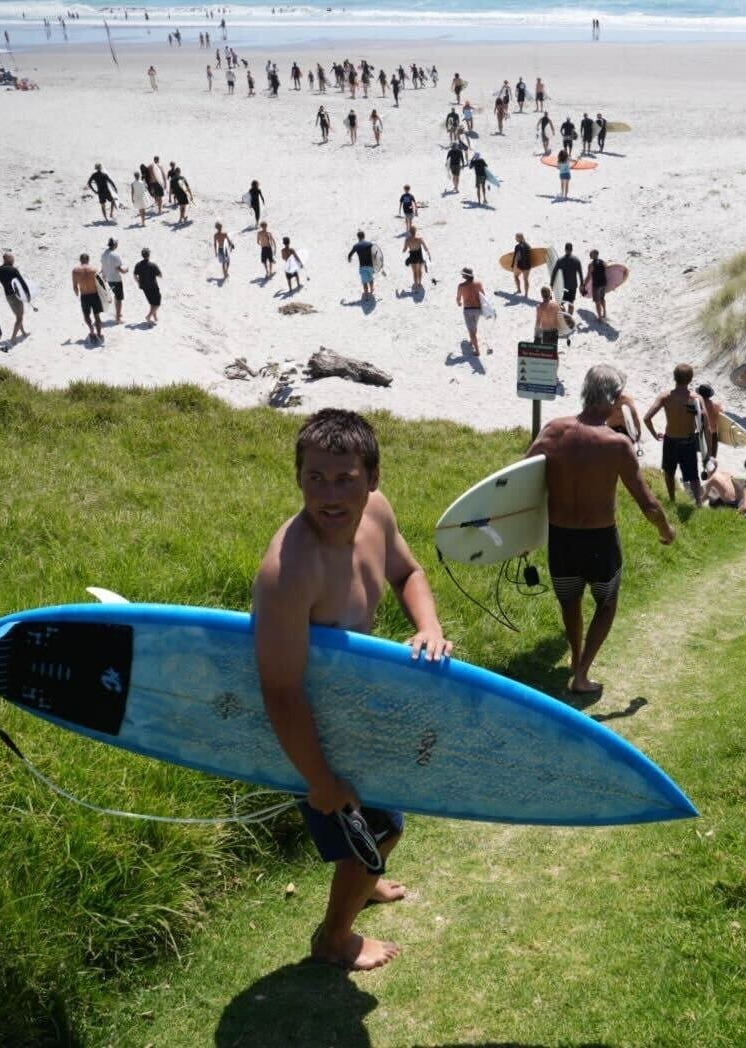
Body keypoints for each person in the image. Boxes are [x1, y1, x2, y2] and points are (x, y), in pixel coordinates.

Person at [253, 408, 451, 971]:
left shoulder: (377, 517)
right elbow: (281, 689)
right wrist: (320, 779)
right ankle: (335, 936)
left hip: (359, 711)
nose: (329, 495)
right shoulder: (290, 571)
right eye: (315, 478)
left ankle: (363, 884)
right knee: (379, 827)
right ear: (298, 479)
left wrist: (428, 626)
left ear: (374, 478)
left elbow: (408, 573)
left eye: (344, 479)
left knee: (383, 824)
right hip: (308, 729)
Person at [528, 365, 674, 696]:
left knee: (570, 601)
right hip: (600, 542)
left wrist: (521, 533)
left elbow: (522, 483)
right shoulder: (615, 444)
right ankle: (581, 675)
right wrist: (666, 529)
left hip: (561, 539)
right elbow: (647, 501)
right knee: (606, 603)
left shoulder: (553, 431)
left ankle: (576, 658)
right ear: (614, 397)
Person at [643, 364, 707, 505]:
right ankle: (699, 503)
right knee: (694, 476)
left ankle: (672, 500)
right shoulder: (696, 399)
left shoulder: (665, 397)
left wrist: (655, 434)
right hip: (689, 441)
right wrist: (706, 450)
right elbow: (704, 423)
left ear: (674, 378)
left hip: (670, 440)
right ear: (690, 379)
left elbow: (647, 418)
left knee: (669, 473)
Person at [0, 251, 32, 339]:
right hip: (16, 295)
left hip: (8, 297)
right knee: (20, 317)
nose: (14, 260)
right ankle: (13, 337)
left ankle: (23, 332)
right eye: (13, 259)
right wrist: (28, 295)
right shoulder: (13, 270)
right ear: (9, 259)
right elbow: (22, 283)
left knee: (18, 315)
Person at [71, 253, 104, 343]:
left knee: (86, 315)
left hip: (84, 295)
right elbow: (100, 284)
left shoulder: (75, 271)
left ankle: (91, 330)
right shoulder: (94, 269)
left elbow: (74, 286)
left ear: (80, 260)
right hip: (94, 294)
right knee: (97, 316)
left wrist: (77, 293)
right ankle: (99, 334)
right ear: (88, 259)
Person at [455, 267, 485, 354]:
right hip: (477, 309)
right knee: (474, 326)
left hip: (468, 309)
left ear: (465, 275)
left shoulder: (461, 286)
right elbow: (483, 295)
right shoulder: (478, 284)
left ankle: (477, 350)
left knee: (471, 330)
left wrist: (459, 303)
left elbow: (458, 298)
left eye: (463, 274)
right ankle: (472, 341)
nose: (462, 275)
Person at [100, 237, 127, 323]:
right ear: (115, 244)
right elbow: (119, 268)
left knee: (116, 296)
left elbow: (103, 266)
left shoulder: (104, 254)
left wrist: (104, 277)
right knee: (119, 298)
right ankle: (118, 319)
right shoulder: (115, 255)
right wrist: (125, 270)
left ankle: (118, 314)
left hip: (108, 278)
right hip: (116, 279)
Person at [133, 247, 162, 324]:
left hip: (144, 287)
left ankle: (154, 316)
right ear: (149, 255)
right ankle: (149, 316)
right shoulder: (153, 265)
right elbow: (160, 275)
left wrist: (138, 282)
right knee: (157, 303)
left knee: (152, 301)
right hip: (153, 286)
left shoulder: (138, 265)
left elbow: (135, 275)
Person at [552, 244, 583, 315]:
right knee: (571, 303)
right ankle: (569, 318)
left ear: (565, 249)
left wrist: (552, 283)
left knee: (561, 302)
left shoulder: (560, 260)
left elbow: (554, 272)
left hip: (563, 286)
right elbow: (580, 274)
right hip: (573, 285)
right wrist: (582, 284)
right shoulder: (576, 260)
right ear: (572, 250)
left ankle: (563, 316)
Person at [697, 383, 724, 462]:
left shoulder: (696, 405)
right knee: (712, 458)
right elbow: (723, 417)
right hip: (712, 435)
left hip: (700, 433)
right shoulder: (716, 406)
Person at [348, 231, 378, 301]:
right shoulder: (370, 244)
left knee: (364, 281)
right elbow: (375, 253)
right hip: (370, 265)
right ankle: (371, 290)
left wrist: (349, 259)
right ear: (364, 236)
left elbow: (350, 254)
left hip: (363, 266)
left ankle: (366, 295)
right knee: (370, 278)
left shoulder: (356, 246)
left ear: (358, 237)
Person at [402, 227, 430, 292]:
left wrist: (403, 250)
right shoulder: (420, 239)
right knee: (420, 270)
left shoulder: (407, 240)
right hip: (419, 255)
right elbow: (425, 248)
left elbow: (405, 249)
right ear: (415, 231)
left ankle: (416, 285)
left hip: (412, 256)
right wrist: (428, 255)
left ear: (409, 232)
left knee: (414, 272)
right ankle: (420, 283)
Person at [586, 248, 608, 322]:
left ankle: (600, 318)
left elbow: (589, 276)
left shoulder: (591, 265)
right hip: (604, 283)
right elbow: (608, 271)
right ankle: (604, 312)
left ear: (595, 254)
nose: (590, 255)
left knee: (597, 301)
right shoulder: (603, 262)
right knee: (602, 298)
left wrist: (584, 285)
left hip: (596, 285)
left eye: (591, 254)